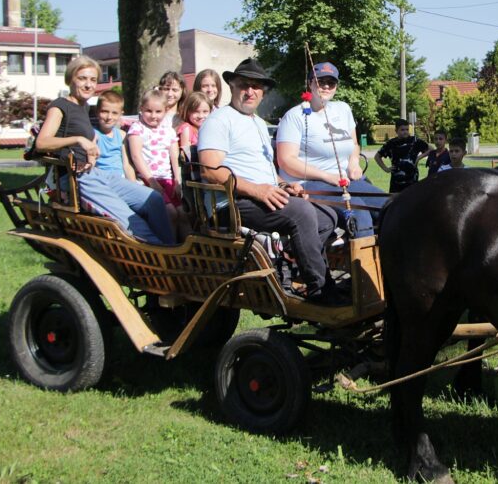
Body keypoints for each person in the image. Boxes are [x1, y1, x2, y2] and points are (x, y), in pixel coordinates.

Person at [197, 58, 345, 305]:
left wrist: (285, 185)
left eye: (257, 87)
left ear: (263, 93)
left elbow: (265, 170)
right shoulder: (219, 120)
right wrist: (257, 190)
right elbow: (210, 170)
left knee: (328, 216)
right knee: (302, 214)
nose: (250, 91)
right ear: (232, 85)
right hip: (232, 203)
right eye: (244, 84)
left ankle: (288, 266)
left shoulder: (257, 123)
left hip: (261, 195)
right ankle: (321, 290)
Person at [34, 56, 174, 245]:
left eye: (92, 80)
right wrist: (79, 139)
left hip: (95, 172)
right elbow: (41, 143)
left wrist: (90, 151)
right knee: (132, 221)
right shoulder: (60, 106)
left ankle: (173, 249)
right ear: (70, 79)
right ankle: (161, 260)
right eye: (82, 78)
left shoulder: (83, 108)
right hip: (75, 178)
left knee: (154, 200)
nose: (88, 84)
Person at [275, 61, 388, 238]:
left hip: (345, 179)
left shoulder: (343, 109)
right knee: (359, 214)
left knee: (389, 206)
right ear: (310, 83)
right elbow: (286, 161)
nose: (326, 86)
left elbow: (354, 144)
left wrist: (353, 163)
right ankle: (359, 264)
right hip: (309, 183)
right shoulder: (294, 116)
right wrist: (327, 176)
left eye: (331, 82)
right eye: (320, 82)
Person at [127, 89, 188, 236]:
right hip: (149, 179)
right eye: (148, 111)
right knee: (170, 213)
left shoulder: (168, 130)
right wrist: (152, 181)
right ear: (141, 109)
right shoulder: (137, 129)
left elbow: (174, 155)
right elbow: (136, 156)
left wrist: (177, 179)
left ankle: (187, 249)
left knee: (184, 214)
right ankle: (169, 247)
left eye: (158, 111)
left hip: (167, 179)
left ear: (165, 111)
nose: (153, 116)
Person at [375, 119, 430, 192]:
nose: (405, 132)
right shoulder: (391, 143)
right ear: (396, 131)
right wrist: (386, 169)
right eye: (402, 130)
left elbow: (431, 149)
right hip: (396, 182)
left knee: (412, 201)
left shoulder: (414, 141)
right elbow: (377, 156)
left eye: (407, 129)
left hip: (412, 181)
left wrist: (418, 158)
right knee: (396, 202)